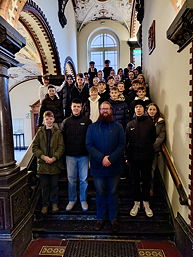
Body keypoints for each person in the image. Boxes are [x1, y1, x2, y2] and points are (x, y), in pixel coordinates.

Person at [86, 101, 125, 232]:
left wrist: (111, 158)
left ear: (111, 110)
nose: (104, 111)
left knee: (113, 192)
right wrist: (101, 158)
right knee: (100, 193)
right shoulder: (92, 127)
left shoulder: (118, 127)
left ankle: (113, 219)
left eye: (107, 109)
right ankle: (100, 218)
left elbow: (121, 145)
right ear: (99, 110)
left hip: (114, 166)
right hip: (98, 166)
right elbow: (89, 145)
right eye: (102, 109)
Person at [126, 100, 156, 217]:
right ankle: (136, 202)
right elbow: (126, 141)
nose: (138, 109)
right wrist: (127, 156)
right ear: (134, 109)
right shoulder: (130, 124)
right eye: (136, 107)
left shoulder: (150, 124)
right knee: (135, 180)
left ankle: (146, 202)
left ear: (144, 109)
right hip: (133, 158)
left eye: (140, 107)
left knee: (146, 179)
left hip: (147, 157)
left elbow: (152, 139)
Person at [62, 98, 92, 211]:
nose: (76, 108)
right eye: (74, 106)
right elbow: (63, 139)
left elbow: (90, 138)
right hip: (70, 156)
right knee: (71, 179)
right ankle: (72, 200)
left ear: (81, 108)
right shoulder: (66, 122)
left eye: (78, 106)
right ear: (71, 107)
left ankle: (83, 200)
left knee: (83, 180)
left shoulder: (87, 121)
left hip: (84, 155)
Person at [32, 111, 64, 215]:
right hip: (43, 165)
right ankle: (45, 205)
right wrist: (43, 156)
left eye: (51, 118)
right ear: (43, 121)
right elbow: (34, 147)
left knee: (54, 186)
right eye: (47, 119)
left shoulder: (58, 132)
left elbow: (61, 147)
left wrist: (54, 158)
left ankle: (54, 203)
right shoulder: (40, 132)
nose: (49, 121)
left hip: (55, 164)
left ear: (54, 120)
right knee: (44, 187)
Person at [147, 103, 166, 195]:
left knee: (152, 169)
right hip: (142, 150)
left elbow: (161, 137)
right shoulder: (144, 120)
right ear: (147, 111)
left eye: (154, 109)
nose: (152, 111)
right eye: (150, 109)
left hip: (154, 150)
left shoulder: (160, 122)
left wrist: (151, 146)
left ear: (157, 111)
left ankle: (150, 188)